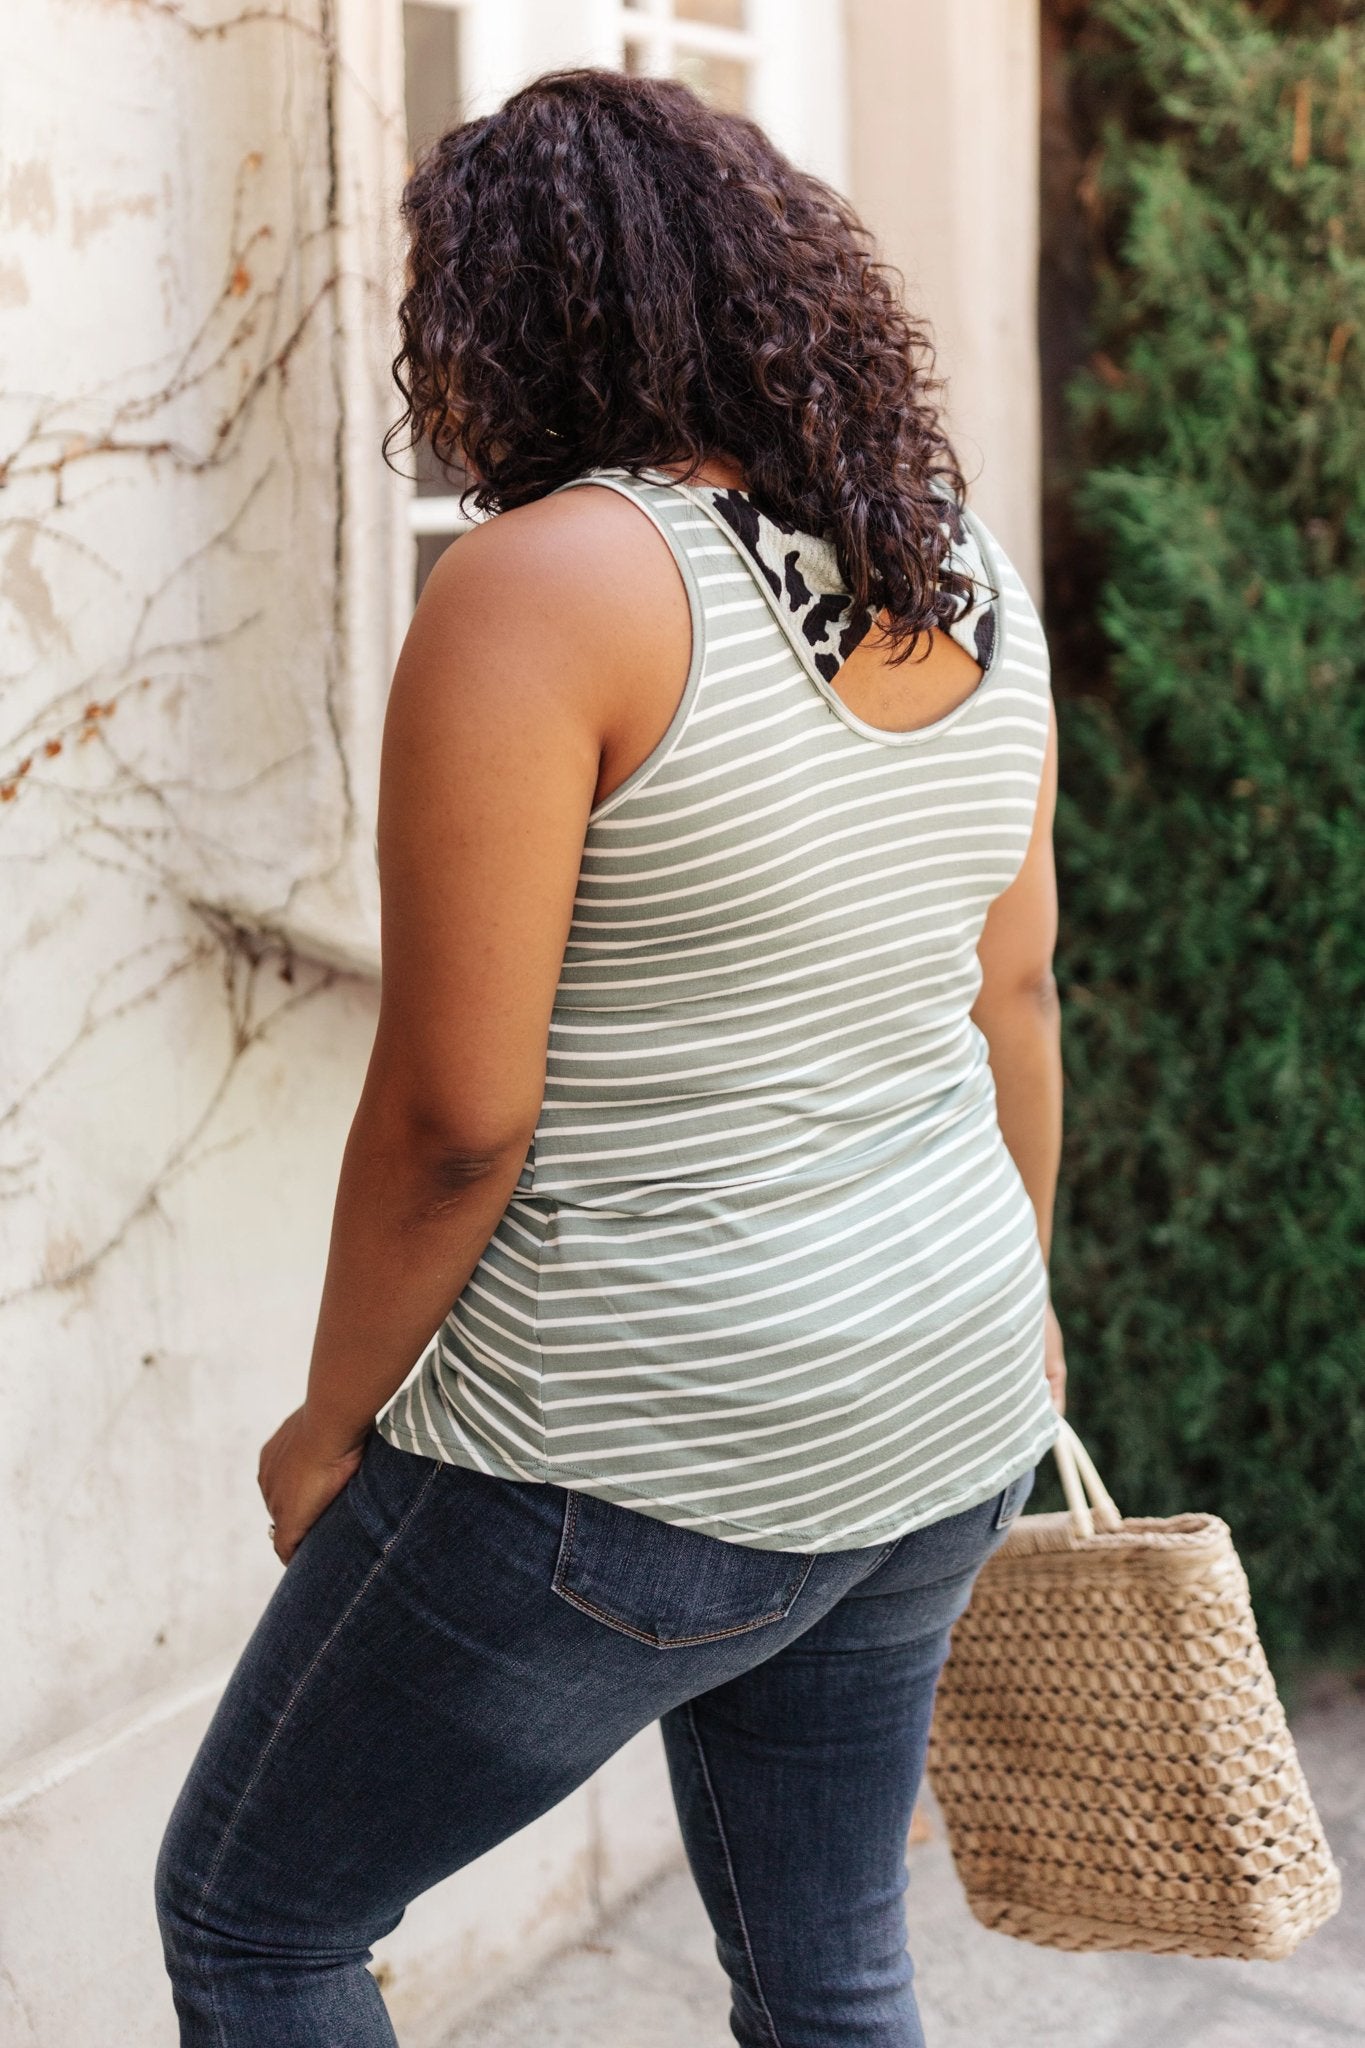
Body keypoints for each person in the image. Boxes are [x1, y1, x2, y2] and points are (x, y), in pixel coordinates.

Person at [155, 66, 1065, 2048]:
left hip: (625, 1452)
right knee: (831, 1970)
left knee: (252, 1917)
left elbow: (455, 1114)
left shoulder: (539, 589)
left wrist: (331, 1418)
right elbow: (1013, 996)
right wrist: (1026, 1321)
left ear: (504, 319)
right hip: (940, 1394)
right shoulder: (955, 564)